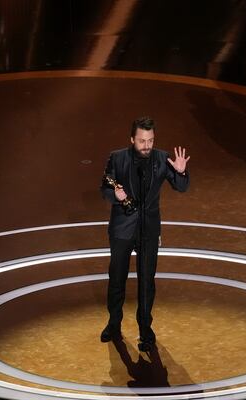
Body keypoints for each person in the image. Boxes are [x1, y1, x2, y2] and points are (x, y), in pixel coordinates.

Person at [100, 116, 190, 351]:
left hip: (149, 230)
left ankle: (145, 330)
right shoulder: (117, 158)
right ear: (132, 139)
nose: (147, 145)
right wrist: (116, 197)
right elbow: (105, 188)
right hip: (122, 228)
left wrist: (180, 172)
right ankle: (114, 323)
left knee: (146, 282)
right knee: (116, 278)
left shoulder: (162, 158)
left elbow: (181, 187)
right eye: (142, 141)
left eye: (150, 140)